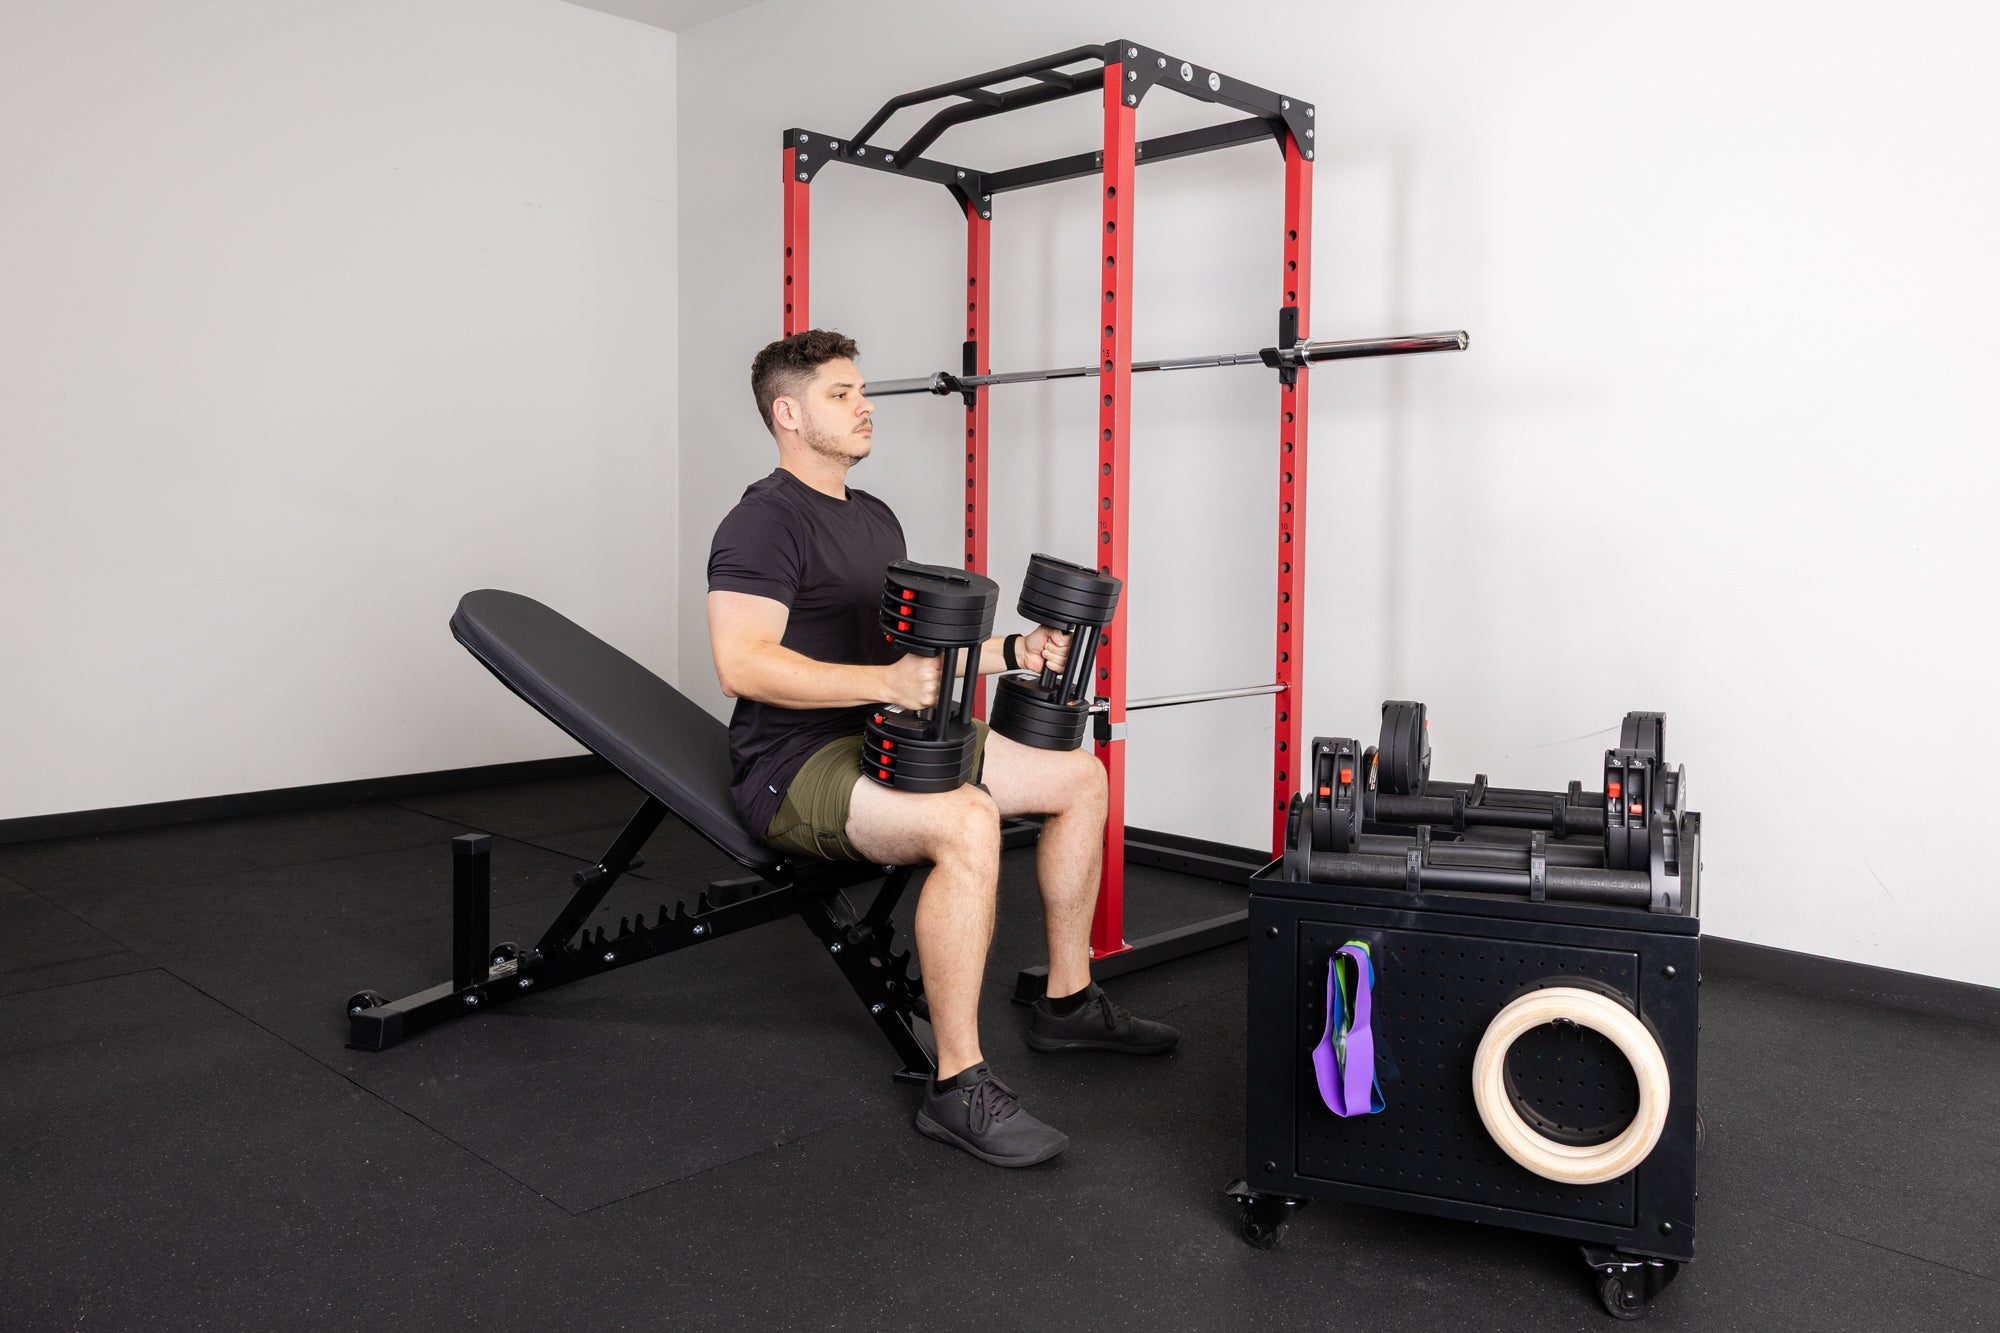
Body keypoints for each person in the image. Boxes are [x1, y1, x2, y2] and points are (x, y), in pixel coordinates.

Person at [706, 329, 1179, 1168]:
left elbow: (917, 658)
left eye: (861, 390)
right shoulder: (762, 521)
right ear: (787, 413)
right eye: (841, 394)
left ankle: (1066, 1001)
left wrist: (1011, 652)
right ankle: (957, 1084)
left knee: (1080, 776)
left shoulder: (874, 516)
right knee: (966, 820)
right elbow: (743, 664)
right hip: (795, 765)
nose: (865, 405)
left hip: (895, 736)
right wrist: (887, 688)